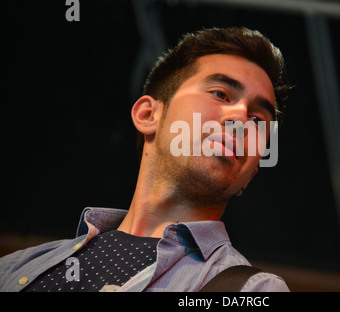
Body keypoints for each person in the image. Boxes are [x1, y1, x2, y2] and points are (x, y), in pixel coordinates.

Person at [0, 27, 291, 292]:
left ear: (251, 174)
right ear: (148, 115)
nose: (241, 118)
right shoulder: (13, 268)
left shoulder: (252, 291)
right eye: (220, 93)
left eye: (257, 118)